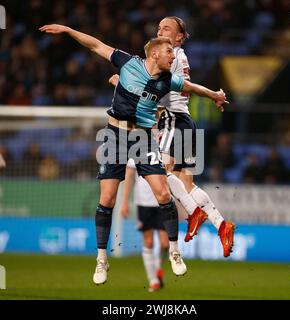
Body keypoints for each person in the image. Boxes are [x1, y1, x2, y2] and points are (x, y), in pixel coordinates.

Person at [40, 24, 227, 285]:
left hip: (142, 138)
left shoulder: (167, 80)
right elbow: (96, 45)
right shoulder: (127, 62)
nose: (173, 56)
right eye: (169, 52)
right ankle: (101, 259)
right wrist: (69, 30)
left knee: (163, 194)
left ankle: (174, 252)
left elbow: (192, 87)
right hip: (115, 136)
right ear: (154, 55)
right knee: (107, 199)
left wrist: (214, 95)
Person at [155, 17, 235, 257]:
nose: (160, 30)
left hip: (173, 121)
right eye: (159, 27)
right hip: (186, 122)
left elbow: (159, 85)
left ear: (179, 37)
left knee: (157, 169)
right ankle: (222, 225)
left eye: (166, 28)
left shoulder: (172, 57)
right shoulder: (178, 56)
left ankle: (193, 213)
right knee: (187, 185)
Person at [120, 158, 168, 292]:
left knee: (165, 243)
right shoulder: (135, 150)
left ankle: (158, 268)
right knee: (149, 241)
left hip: (163, 201)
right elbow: (129, 177)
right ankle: (153, 280)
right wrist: (124, 202)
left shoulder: (163, 148)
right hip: (143, 203)